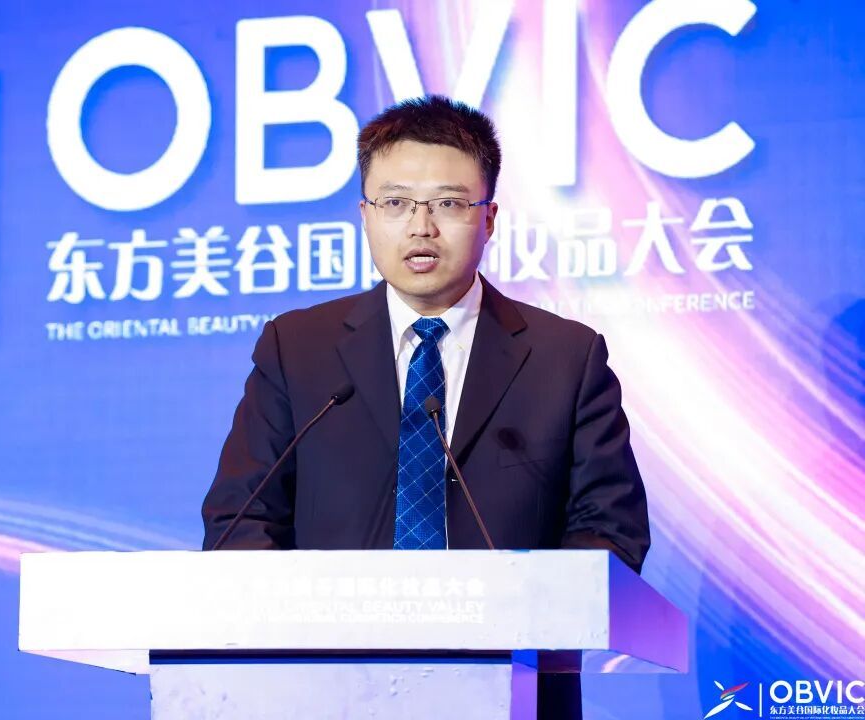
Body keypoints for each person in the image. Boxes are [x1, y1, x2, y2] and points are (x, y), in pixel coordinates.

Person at [201, 95, 650, 718]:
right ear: (364, 216)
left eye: (448, 203)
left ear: (489, 218)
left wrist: (526, 616)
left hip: (512, 691)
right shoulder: (297, 347)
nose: (421, 227)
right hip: (323, 690)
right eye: (396, 203)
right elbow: (239, 520)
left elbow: (611, 530)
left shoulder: (565, 358)